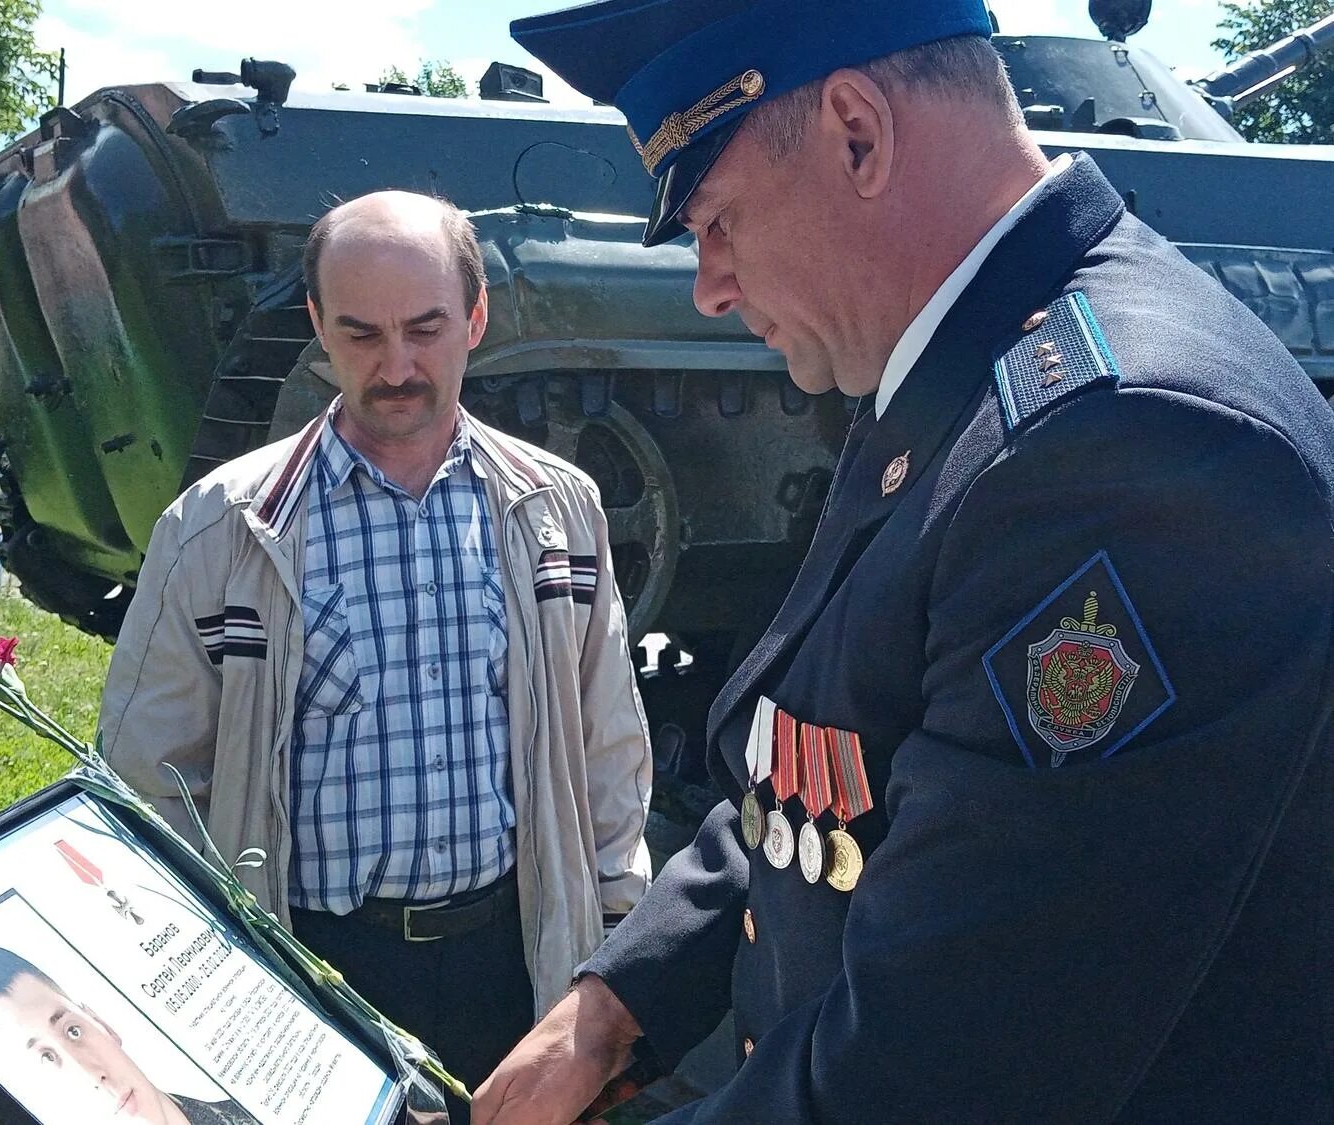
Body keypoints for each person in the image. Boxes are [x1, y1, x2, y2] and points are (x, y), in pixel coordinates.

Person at [474, 1, 1334, 1122]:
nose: (710, 286)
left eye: (715, 219)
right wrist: (613, 1003)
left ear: (857, 134)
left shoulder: (1117, 443)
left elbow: (951, 1069)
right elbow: (826, 764)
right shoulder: (971, 366)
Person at [98, 190, 653, 1113]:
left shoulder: (560, 512)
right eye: (359, 334)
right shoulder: (219, 530)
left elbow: (608, 747)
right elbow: (145, 782)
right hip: (313, 971)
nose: (396, 365)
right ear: (317, 324)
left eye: (425, 328)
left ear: (476, 317)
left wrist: (611, 970)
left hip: (512, 960)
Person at [0, 943, 256, 1124]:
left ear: (103, 1025)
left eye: (73, 1031)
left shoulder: (254, 1111)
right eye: (47, 1057)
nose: (89, 1071)